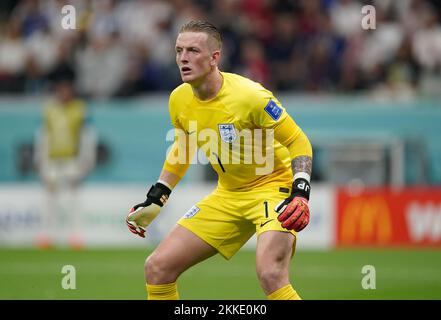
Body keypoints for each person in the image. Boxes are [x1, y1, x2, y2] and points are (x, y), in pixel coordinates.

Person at [126, 20, 313, 300]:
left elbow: (298, 141)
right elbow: (183, 146)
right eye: (179, 51)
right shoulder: (178, 99)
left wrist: (301, 192)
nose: (183, 58)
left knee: (270, 273)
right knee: (157, 267)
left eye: (192, 50)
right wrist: (158, 196)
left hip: (274, 189)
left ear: (215, 58)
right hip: (228, 194)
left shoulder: (251, 96)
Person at [34, 77, 96, 249]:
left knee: (74, 200)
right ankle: (47, 236)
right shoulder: (49, 110)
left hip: (72, 160)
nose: (63, 94)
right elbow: (43, 137)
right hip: (52, 161)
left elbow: (87, 138)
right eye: (60, 91)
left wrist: (85, 162)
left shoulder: (80, 110)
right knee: (49, 199)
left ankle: (76, 236)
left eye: (66, 91)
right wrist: (40, 161)